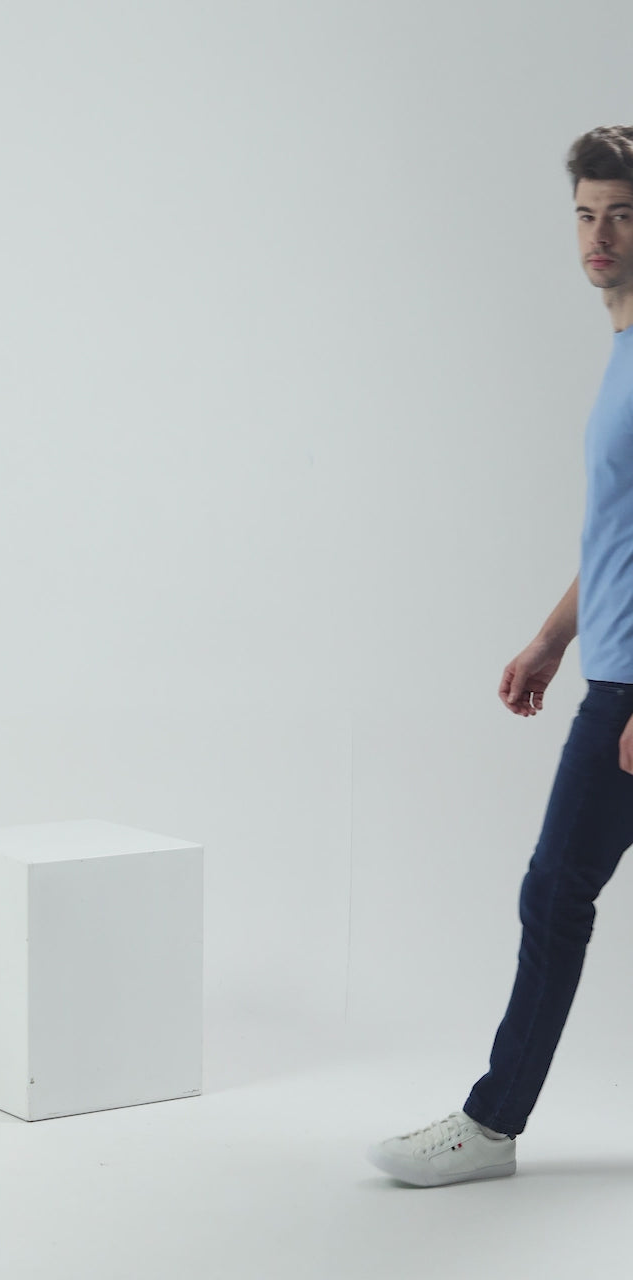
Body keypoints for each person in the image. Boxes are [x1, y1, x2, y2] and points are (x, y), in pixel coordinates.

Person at [367, 124, 633, 1187]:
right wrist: (551, 636)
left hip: (630, 689)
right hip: (609, 665)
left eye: (623, 214)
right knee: (556, 893)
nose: (600, 236)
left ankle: (490, 1124)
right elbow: (617, 536)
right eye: (586, 215)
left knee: (554, 892)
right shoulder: (621, 352)